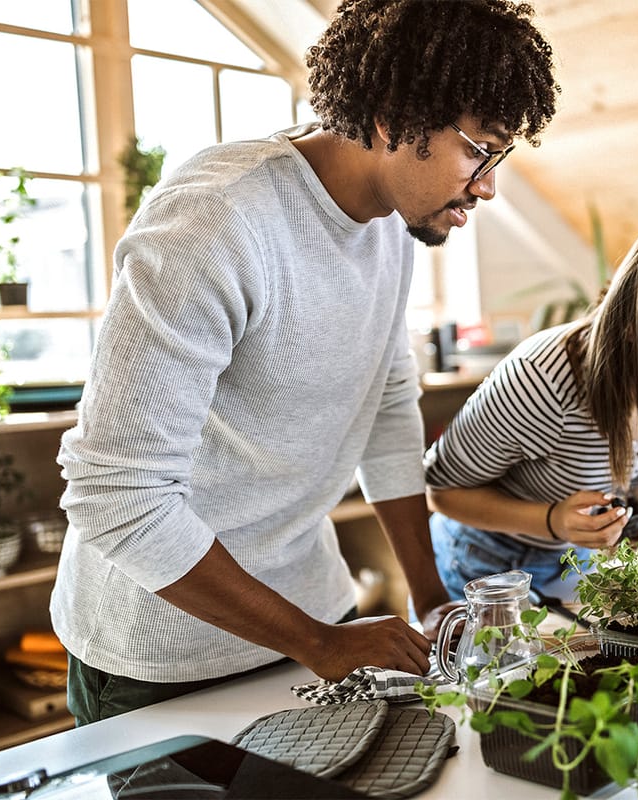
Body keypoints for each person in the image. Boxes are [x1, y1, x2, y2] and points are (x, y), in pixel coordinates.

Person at [50, 0, 559, 725]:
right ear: (392, 119)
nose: (488, 185)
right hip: (164, 653)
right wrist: (316, 641)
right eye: (480, 149)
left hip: (315, 618)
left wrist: (428, 591)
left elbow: (384, 406)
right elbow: (117, 496)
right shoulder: (214, 222)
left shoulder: (390, 222)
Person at [423, 216, 638, 600]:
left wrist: (636, 511)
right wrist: (553, 520)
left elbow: (612, 472)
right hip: (480, 566)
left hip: (575, 559)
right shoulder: (544, 378)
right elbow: (441, 490)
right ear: (632, 326)